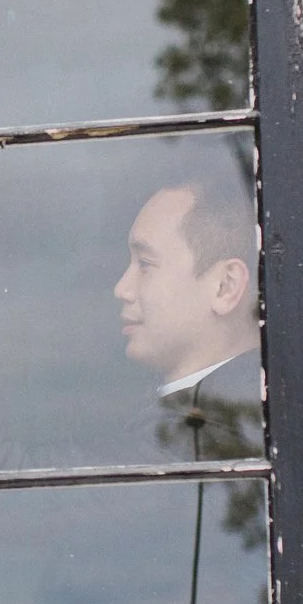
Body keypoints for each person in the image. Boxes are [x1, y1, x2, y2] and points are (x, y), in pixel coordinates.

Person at [114, 167, 263, 460]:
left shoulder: (213, 435)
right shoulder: (248, 417)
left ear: (225, 286)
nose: (121, 289)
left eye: (144, 263)